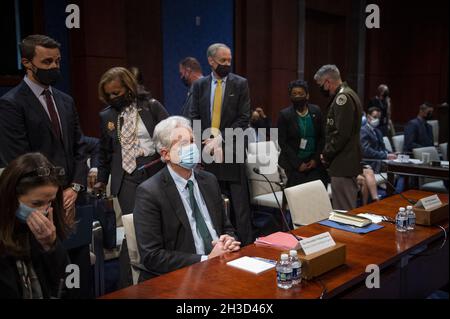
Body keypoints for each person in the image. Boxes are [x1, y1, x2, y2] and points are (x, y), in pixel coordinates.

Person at [134, 116, 241, 280]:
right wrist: (206, 260)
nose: (192, 147)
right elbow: (152, 256)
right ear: (166, 154)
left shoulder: (209, 180)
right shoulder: (149, 193)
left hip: (222, 267)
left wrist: (229, 240)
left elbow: (227, 228)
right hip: (184, 276)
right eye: (184, 144)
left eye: (192, 141)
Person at [0, 34, 86, 220]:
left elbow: (79, 147)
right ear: (27, 63)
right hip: (40, 205)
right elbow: (19, 161)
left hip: (74, 199)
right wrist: (53, 196)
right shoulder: (11, 104)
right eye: (47, 62)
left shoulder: (66, 100)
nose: (54, 67)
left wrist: (75, 187)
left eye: (57, 61)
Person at [189, 43, 253, 245]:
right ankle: (218, 243)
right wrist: (204, 142)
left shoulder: (240, 83)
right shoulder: (200, 85)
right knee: (213, 199)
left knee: (239, 203)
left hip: (232, 147)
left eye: (229, 60)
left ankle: (247, 244)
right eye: (223, 60)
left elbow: (244, 118)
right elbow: (194, 116)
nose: (227, 64)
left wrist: (220, 138)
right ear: (211, 61)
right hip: (207, 148)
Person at [94, 67, 169, 215]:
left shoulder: (151, 106)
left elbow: (170, 136)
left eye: (116, 93)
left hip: (153, 169)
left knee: (158, 216)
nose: (112, 97)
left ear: (129, 87)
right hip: (125, 177)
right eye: (108, 95)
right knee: (132, 220)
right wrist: (101, 180)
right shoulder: (107, 115)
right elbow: (105, 151)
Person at [0, 153, 69, 298]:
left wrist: (52, 247)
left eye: (49, 202)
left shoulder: (46, 231)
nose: (43, 211)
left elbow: (73, 284)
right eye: (36, 204)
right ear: (11, 198)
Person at [314, 65, 363, 211]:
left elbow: (341, 134)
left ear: (328, 82)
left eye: (321, 85)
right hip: (346, 162)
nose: (322, 89)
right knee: (345, 209)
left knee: (344, 212)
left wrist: (326, 154)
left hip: (343, 164)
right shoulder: (349, 94)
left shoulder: (343, 98)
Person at [277, 80, 329, 188]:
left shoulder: (316, 111)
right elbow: (283, 142)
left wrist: (315, 159)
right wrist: (298, 164)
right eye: (294, 94)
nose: (297, 96)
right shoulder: (284, 115)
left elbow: (322, 138)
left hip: (314, 163)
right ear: (290, 97)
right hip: (294, 164)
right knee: (298, 198)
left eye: (300, 93)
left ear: (307, 95)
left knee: (316, 194)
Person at [360, 107, 397, 173]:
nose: (377, 120)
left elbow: (382, 147)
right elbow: (366, 151)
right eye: (375, 117)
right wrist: (385, 156)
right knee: (397, 168)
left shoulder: (378, 131)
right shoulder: (363, 131)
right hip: (370, 162)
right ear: (368, 117)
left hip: (380, 160)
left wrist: (390, 153)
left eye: (378, 118)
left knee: (399, 163)